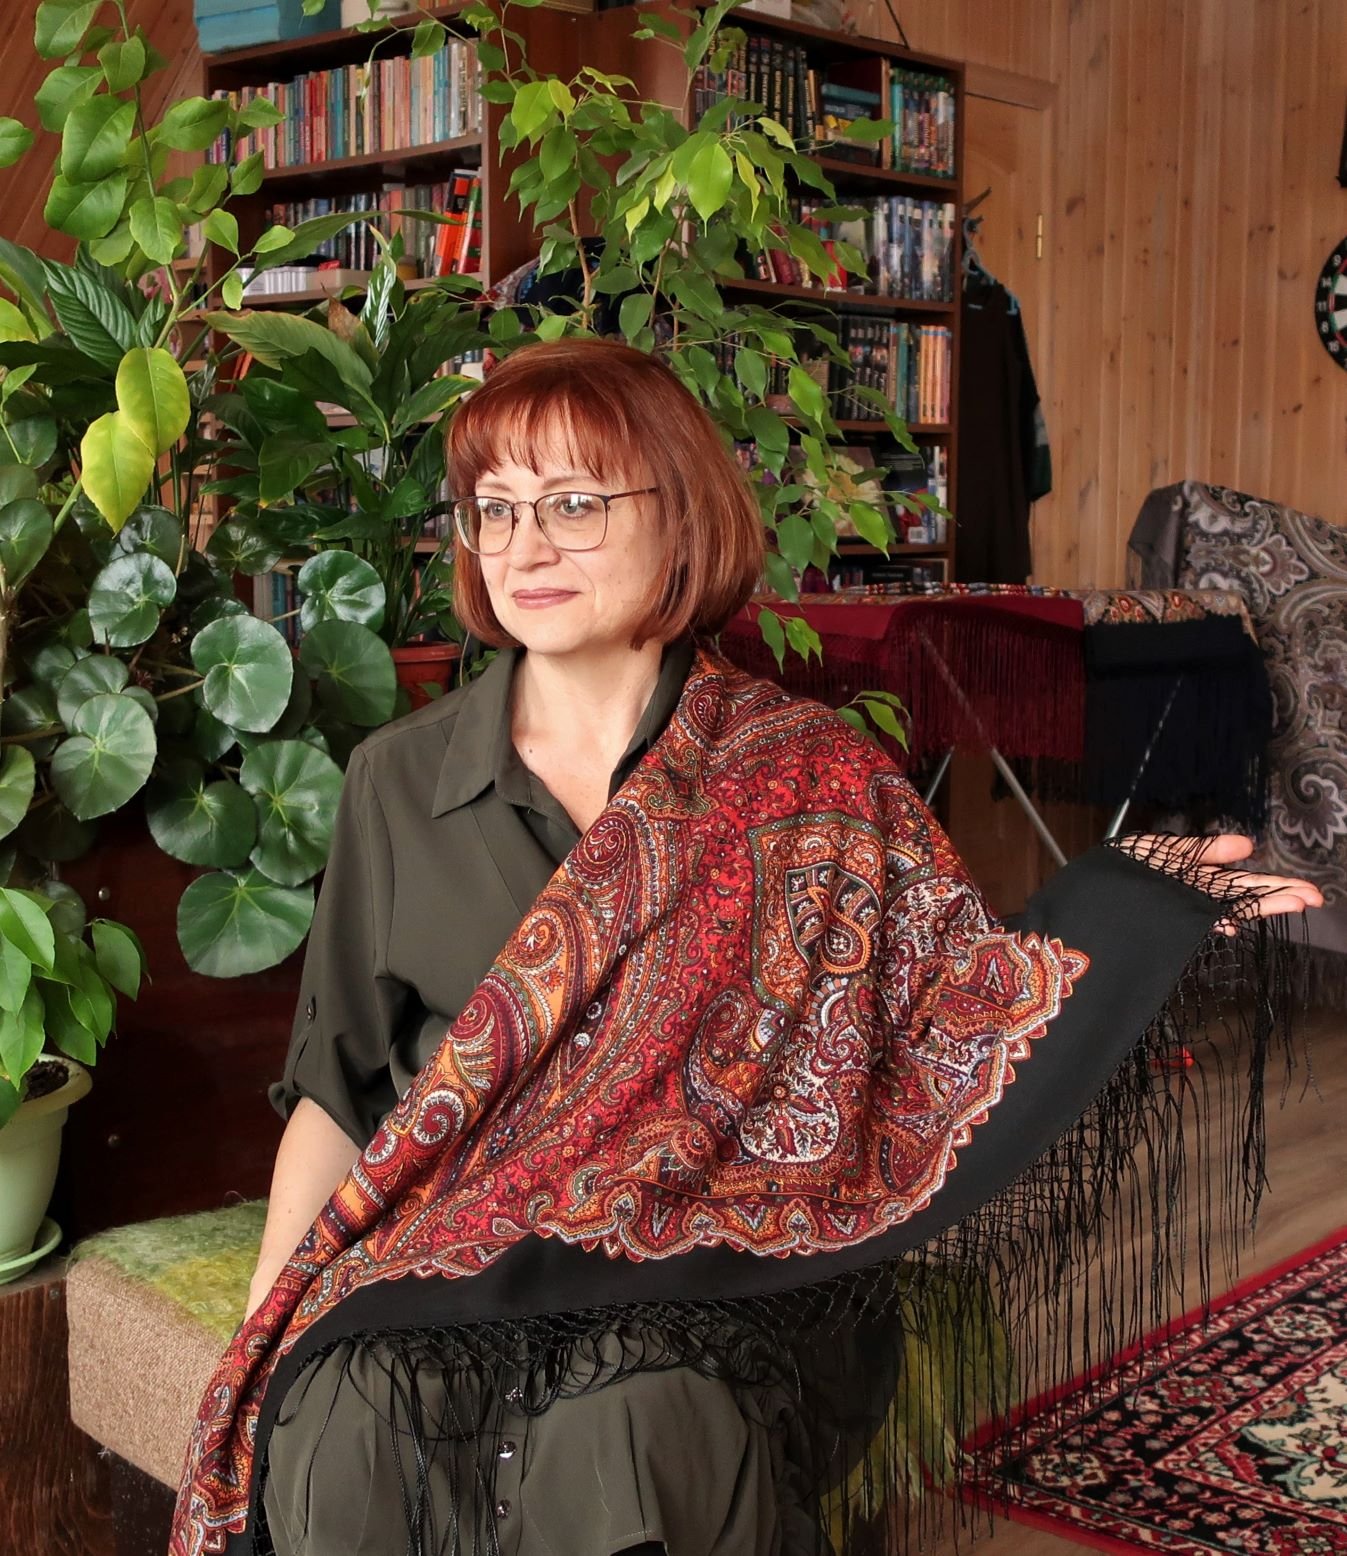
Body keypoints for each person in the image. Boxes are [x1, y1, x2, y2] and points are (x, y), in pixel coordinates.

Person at [173, 338, 1322, 1556]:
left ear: (679, 517)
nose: (523, 545)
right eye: (494, 508)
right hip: (454, 1251)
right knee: (349, 1414)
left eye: (573, 502)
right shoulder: (396, 782)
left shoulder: (809, 772)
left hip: (733, 1260)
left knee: (632, 1417)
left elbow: (947, 1009)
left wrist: (1125, 907)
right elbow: (339, 1093)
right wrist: (265, 1323)